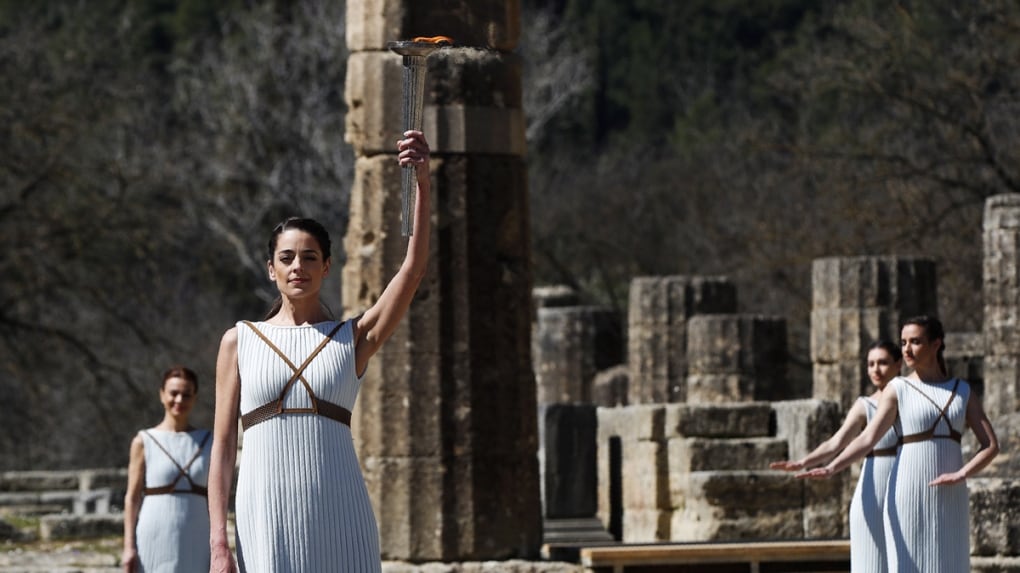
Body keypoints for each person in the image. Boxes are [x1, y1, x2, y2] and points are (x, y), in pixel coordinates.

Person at [207, 130, 431, 573]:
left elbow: (413, 269)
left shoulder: (352, 338)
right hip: (265, 514)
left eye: (310, 257)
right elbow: (224, 446)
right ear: (271, 269)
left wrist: (423, 182)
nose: (298, 267)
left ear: (327, 267)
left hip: (340, 511)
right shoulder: (240, 340)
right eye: (287, 258)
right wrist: (218, 542)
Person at [799, 316, 999, 572]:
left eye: (915, 342)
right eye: (903, 342)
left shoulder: (962, 390)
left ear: (936, 344)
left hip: (951, 495)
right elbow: (868, 438)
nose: (907, 349)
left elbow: (990, 445)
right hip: (908, 491)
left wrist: (962, 474)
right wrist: (832, 467)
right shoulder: (897, 388)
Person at [770, 340, 902, 572]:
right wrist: (803, 462)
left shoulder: (910, 400)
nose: (876, 370)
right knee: (871, 561)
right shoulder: (865, 405)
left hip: (903, 481)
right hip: (873, 485)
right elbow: (836, 442)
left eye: (882, 363)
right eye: (871, 364)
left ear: (898, 364)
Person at [122, 366, 212, 573]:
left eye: (186, 394)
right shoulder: (144, 441)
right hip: (154, 533)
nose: (179, 400)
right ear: (162, 395)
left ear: (195, 397)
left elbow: (217, 497)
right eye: (174, 393)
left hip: (197, 533)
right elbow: (132, 497)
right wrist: (128, 546)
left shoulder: (209, 441)